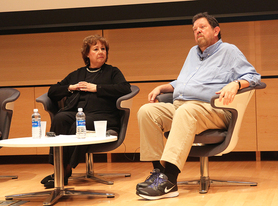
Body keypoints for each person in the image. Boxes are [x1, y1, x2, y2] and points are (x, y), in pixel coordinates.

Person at [136, 12, 261, 200]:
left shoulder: (229, 50)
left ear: (216, 30)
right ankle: (159, 174)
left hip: (213, 109)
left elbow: (253, 76)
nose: (197, 31)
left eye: (202, 27)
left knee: (187, 111)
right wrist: (163, 87)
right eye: (194, 29)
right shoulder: (193, 53)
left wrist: (235, 84)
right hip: (183, 107)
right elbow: (183, 82)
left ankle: (170, 181)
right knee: (147, 111)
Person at [41, 34, 131, 188]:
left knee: (79, 125)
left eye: (103, 49)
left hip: (102, 116)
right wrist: (71, 87)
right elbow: (52, 91)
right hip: (76, 112)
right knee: (60, 119)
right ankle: (58, 167)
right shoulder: (77, 74)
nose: (101, 52)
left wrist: (96, 88)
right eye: (95, 49)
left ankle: (65, 170)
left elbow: (125, 88)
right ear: (87, 54)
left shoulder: (112, 72)